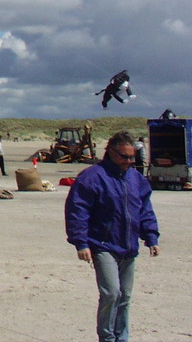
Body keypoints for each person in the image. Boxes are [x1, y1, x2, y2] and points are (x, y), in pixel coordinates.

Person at [65, 131, 160, 342]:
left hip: (128, 247)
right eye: (124, 157)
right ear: (110, 152)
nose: (129, 162)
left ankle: (121, 337)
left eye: (132, 157)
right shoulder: (92, 177)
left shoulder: (136, 179)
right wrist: (81, 243)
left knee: (125, 296)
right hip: (103, 246)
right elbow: (77, 211)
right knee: (111, 293)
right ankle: (107, 338)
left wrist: (151, 237)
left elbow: (144, 210)